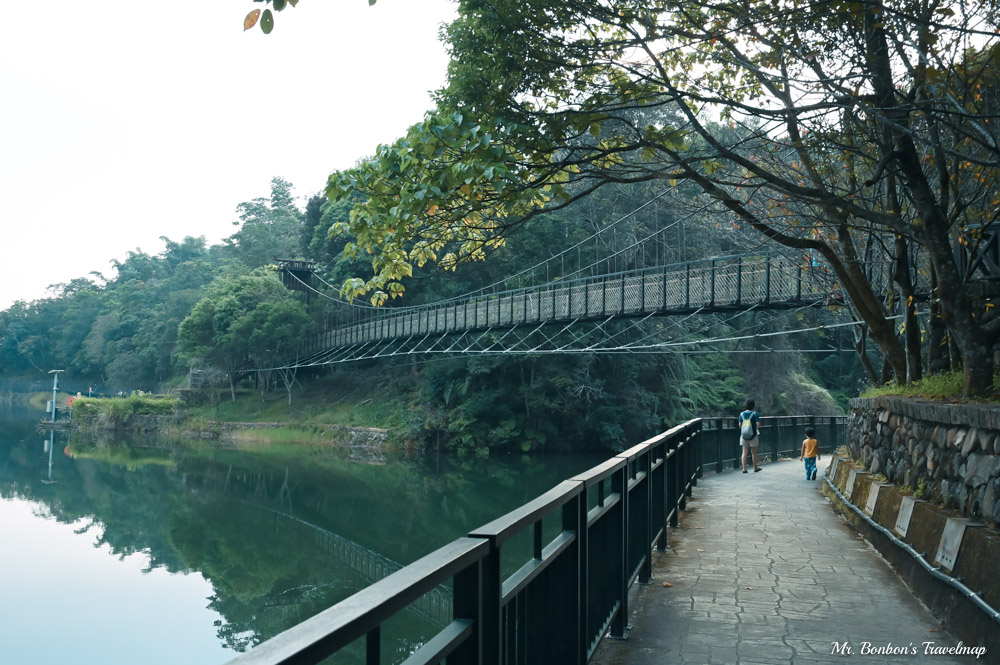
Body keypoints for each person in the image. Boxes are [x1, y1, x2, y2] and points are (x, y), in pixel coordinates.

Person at [738, 399, 761, 473]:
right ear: (753, 405)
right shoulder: (755, 414)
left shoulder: (742, 414)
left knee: (744, 452)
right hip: (753, 435)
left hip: (744, 435)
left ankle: (744, 469)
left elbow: (740, 425)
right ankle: (755, 468)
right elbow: (758, 424)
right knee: (754, 452)